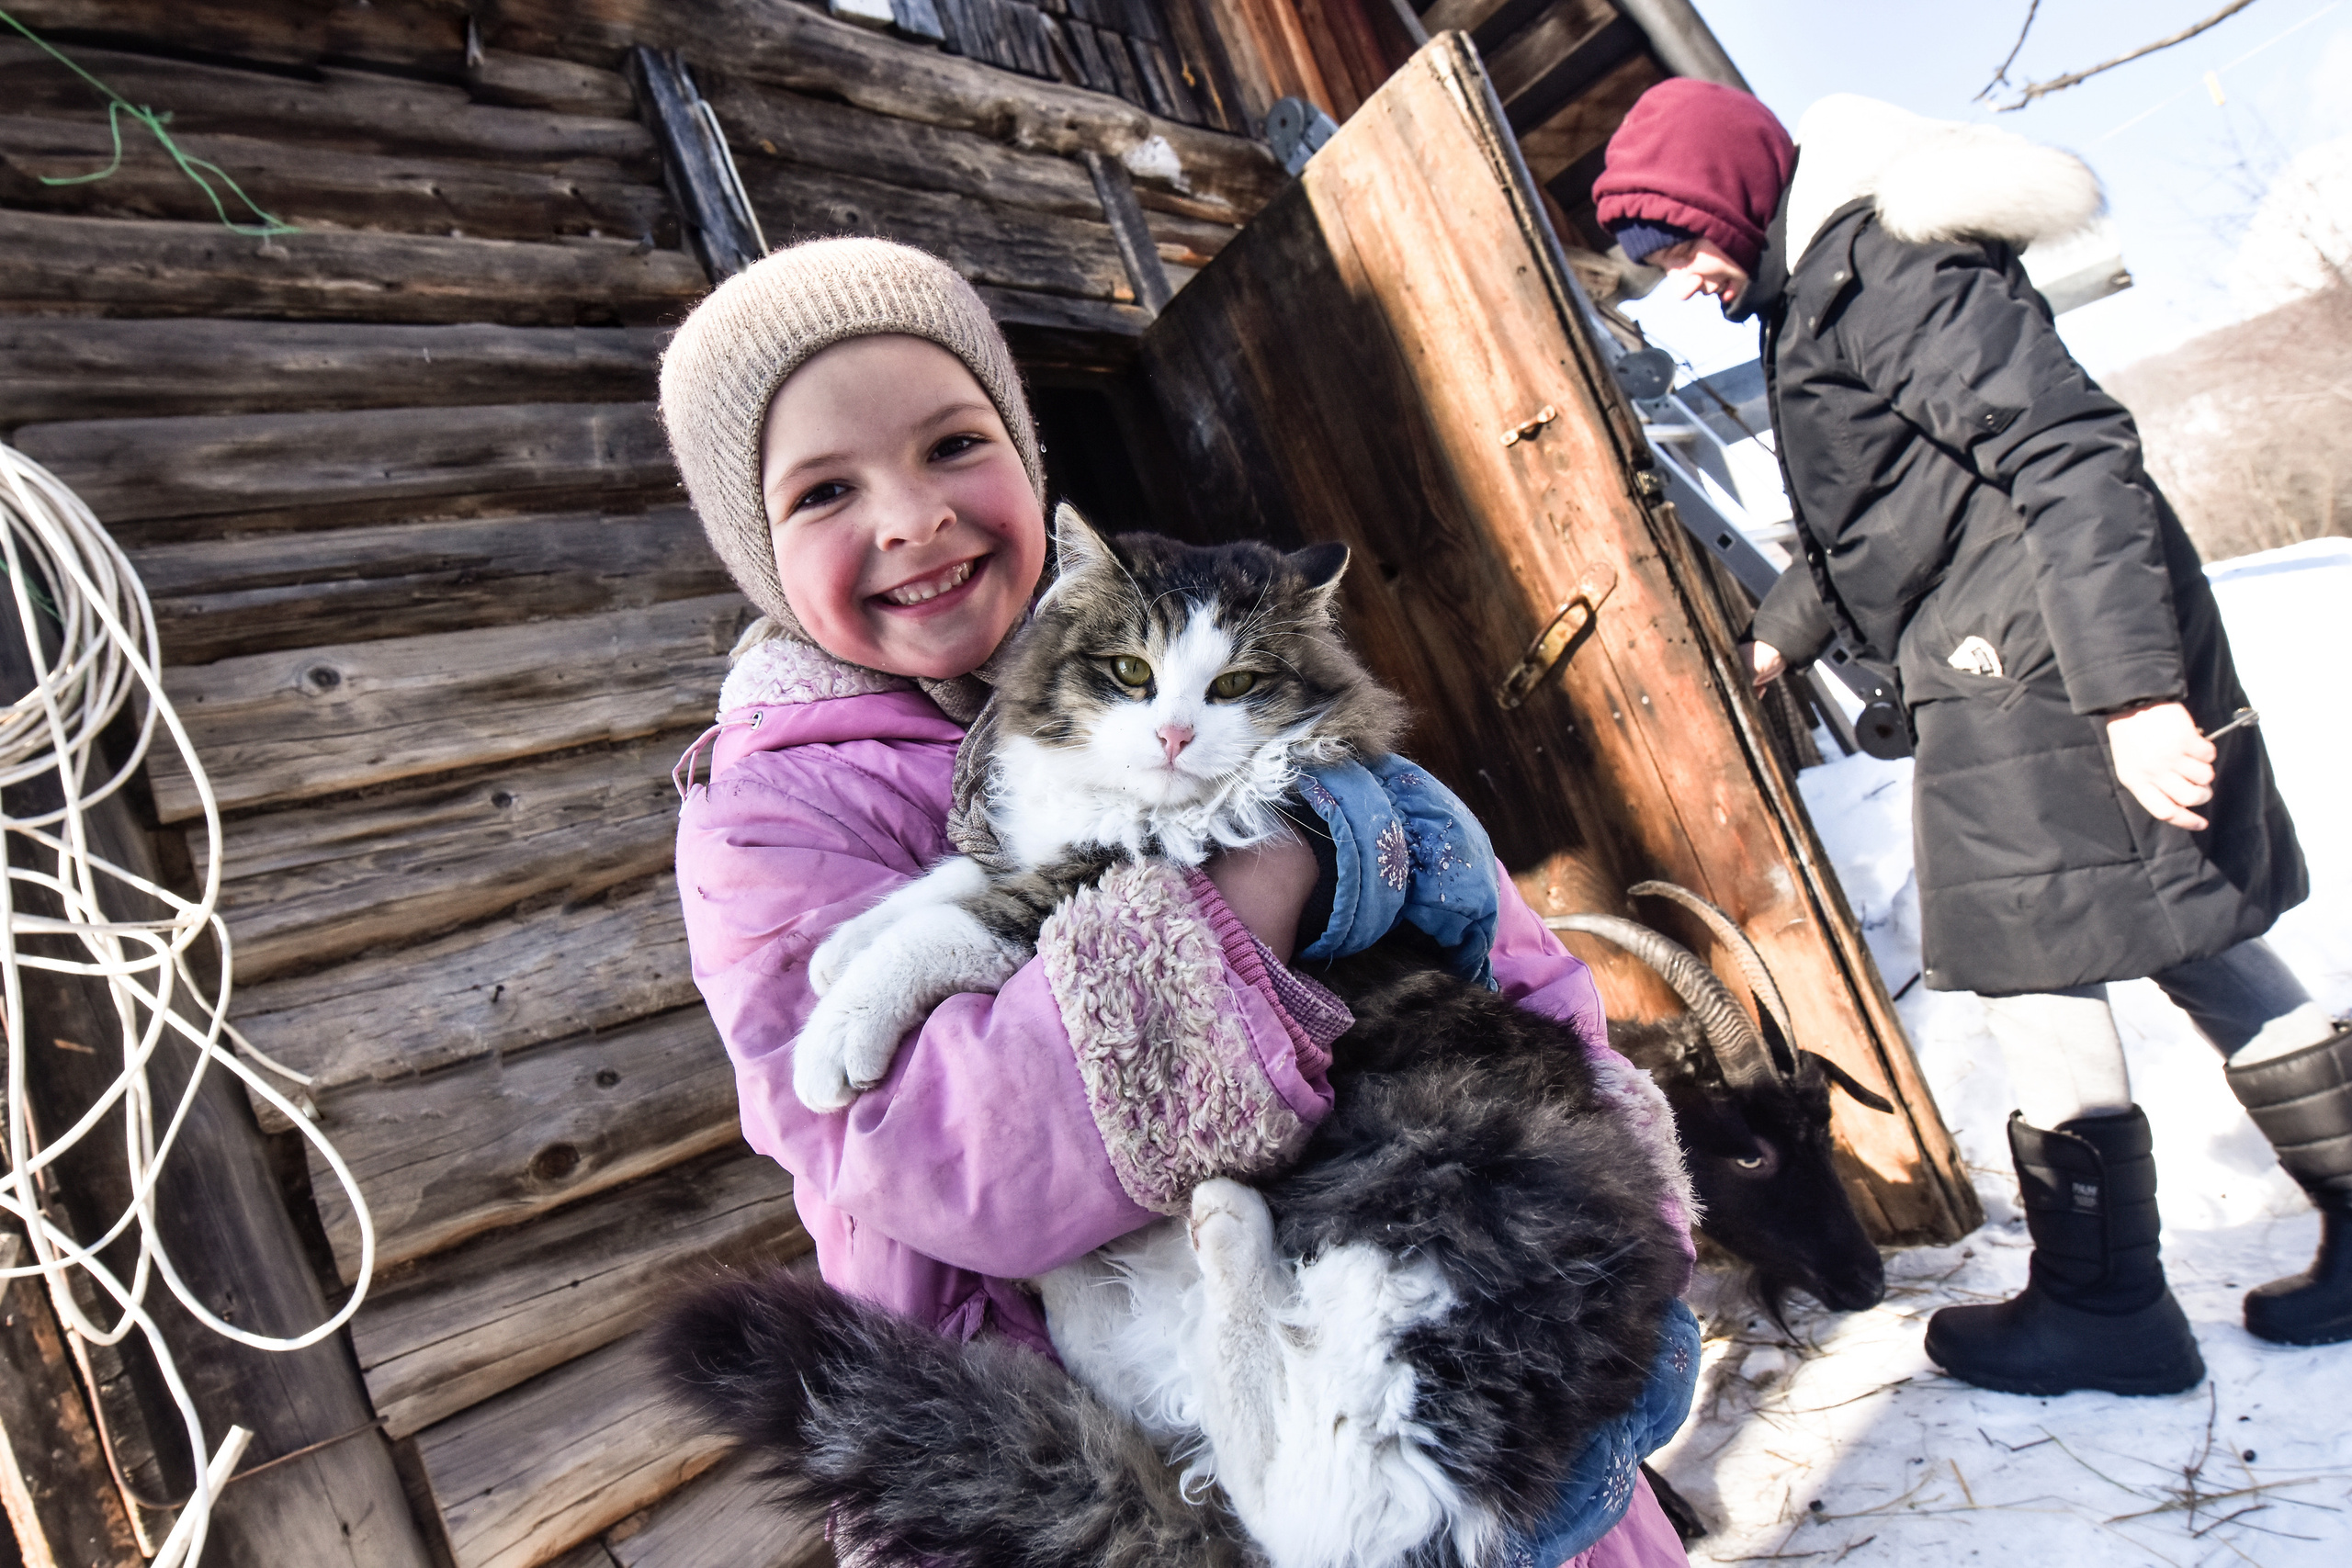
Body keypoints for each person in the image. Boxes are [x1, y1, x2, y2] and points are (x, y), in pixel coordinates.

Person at [658, 235, 1696, 1563]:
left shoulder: (1204, 643)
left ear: (1027, 454)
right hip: (1103, 1430)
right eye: (823, 490)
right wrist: (1280, 876)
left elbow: (1534, 986)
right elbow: (954, 1157)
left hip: (1442, 1321)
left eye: (954, 445)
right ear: (755, 547)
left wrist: (1620, 1237)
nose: (912, 517)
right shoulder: (769, 818)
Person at [1592, 79, 2352, 1393]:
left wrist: (2134, 695)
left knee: (2036, 959)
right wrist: (1783, 632)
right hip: (2019, 649)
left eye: (1680, 241)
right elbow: (1893, 505)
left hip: (2039, 664)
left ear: (1735, 192)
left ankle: (2105, 1311)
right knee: (2196, 931)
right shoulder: (1825, 286)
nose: (1681, 276)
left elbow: (2071, 453)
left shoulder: (1888, 266)